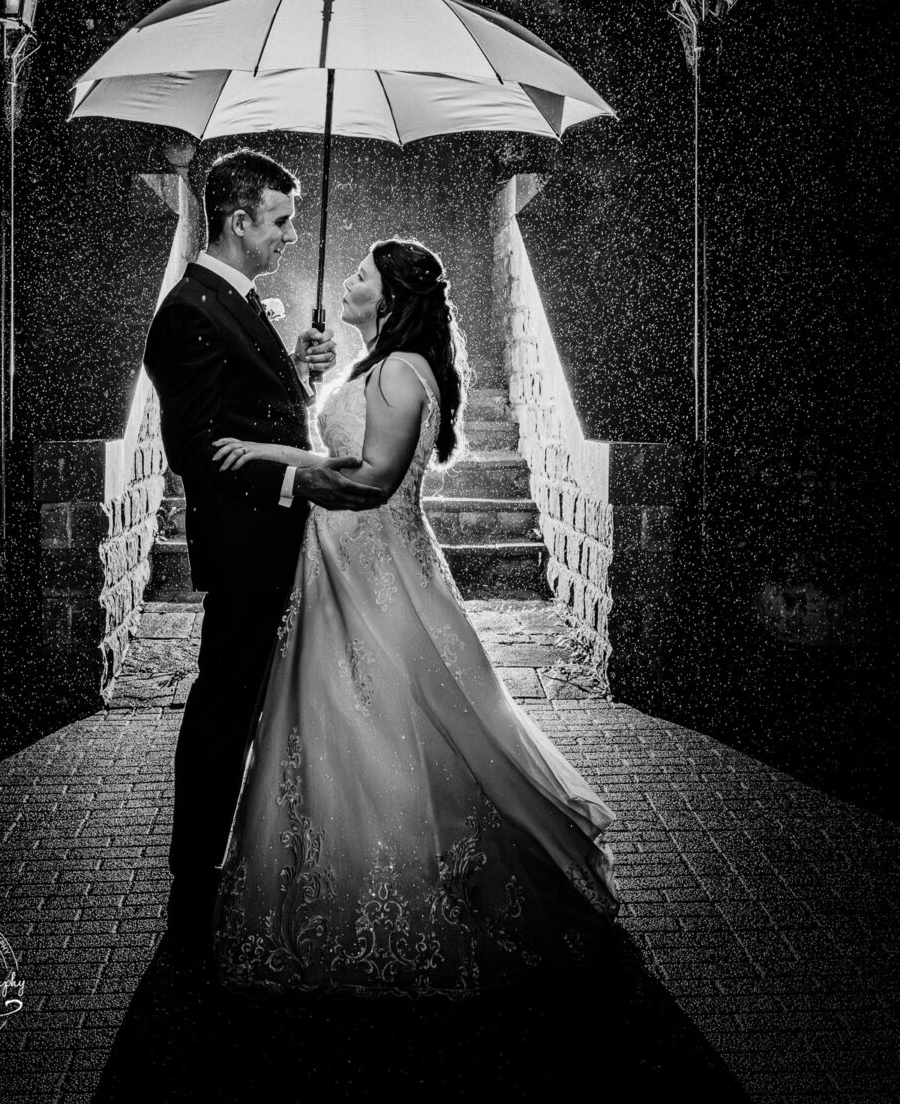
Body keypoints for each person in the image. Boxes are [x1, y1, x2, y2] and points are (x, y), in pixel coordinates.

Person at [208, 238, 621, 996]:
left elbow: (370, 483)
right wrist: (289, 419)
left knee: (382, 720)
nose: (348, 280)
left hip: (375, 572)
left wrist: (276, 471)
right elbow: (344, 456)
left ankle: (406, 890)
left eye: (361, 275)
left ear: (391, 298)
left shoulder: (400, 371)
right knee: (336, 718)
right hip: (341, 566)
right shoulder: (380, 366)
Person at [142, 149, 384, 961]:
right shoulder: (189, 310)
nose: (289, 234)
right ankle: (194, 875)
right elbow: (197, 448)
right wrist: (296, 481)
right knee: (225, 707)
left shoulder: (235, 301)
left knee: (248, 703)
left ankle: (231, 858)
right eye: (279, 220)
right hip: (245, 547)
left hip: (274, 542)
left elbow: (259, 416)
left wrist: (304, 377)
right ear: (238, 219)